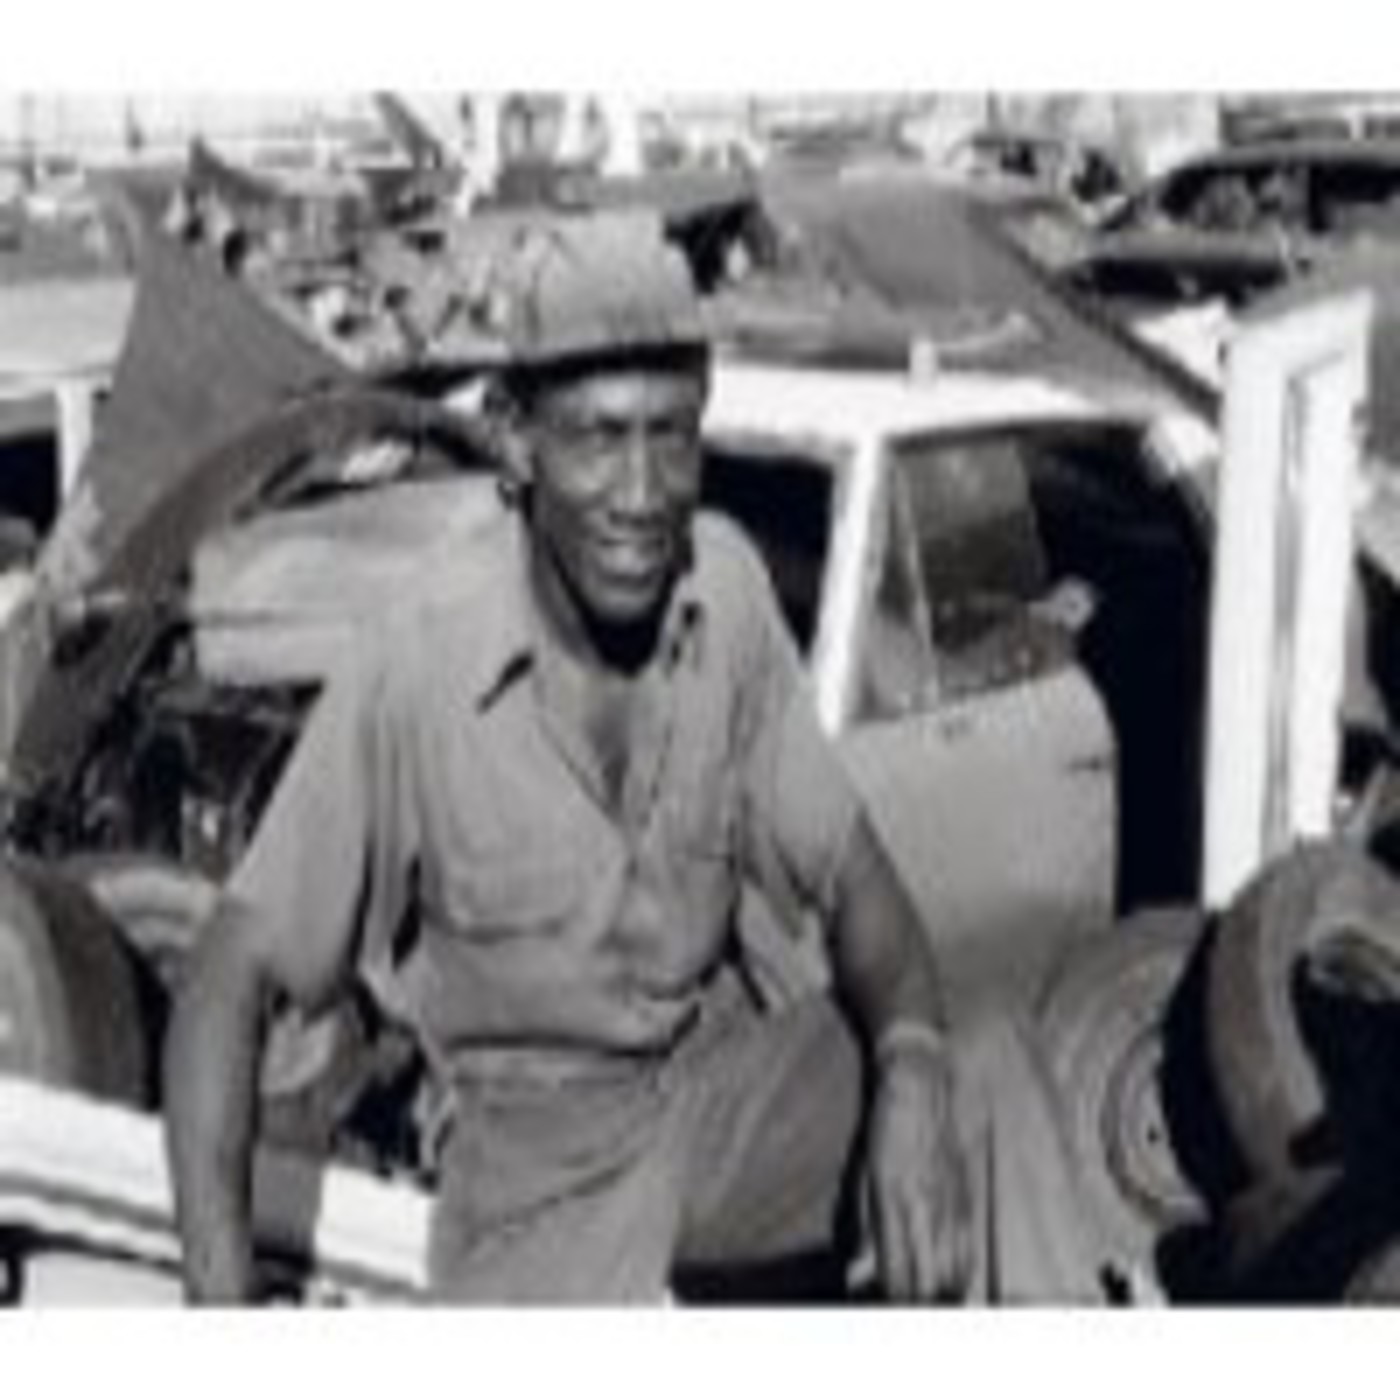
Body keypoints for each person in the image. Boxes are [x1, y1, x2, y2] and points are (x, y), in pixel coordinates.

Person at [164, 214, 1070, 1305]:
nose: (641, 493)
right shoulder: (421, 659)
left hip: (711, 1105)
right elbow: (228, 978)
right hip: (533, 1189)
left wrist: (913, 1066)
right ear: (516, 442)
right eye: (597, 437)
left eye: (669, 435)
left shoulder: (724, 593)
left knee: (982, 1057)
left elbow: (862, 890)